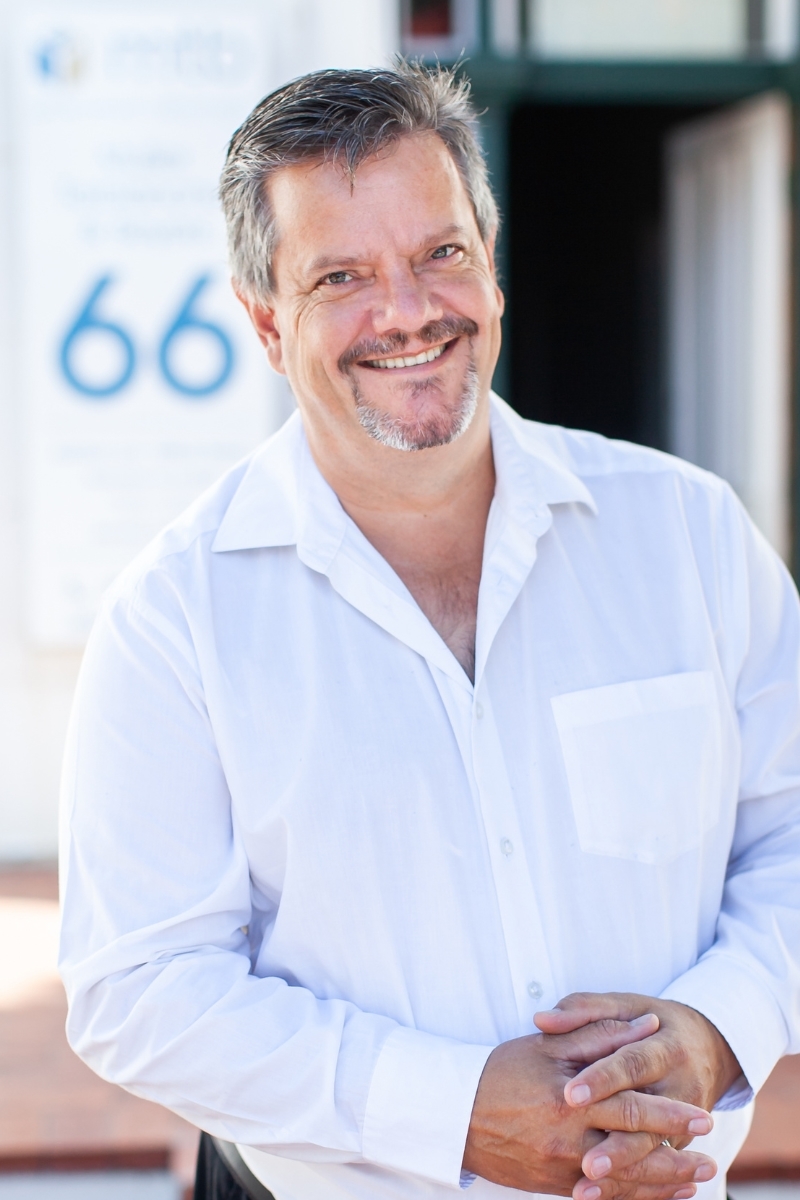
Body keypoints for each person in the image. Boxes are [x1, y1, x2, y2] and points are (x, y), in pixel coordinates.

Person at [59, 63, 800, 1200]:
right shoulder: (174, 620)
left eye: (439, 253)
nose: (406, 312)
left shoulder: (689, 536)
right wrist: (446, 1111)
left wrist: (716, 1031)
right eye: (341, 276)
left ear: (491, 268)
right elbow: (137, 987)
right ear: (266, 323)